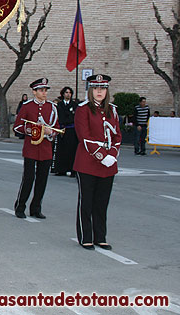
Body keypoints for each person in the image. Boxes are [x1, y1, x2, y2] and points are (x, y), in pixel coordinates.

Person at [73, 74, 121, 250]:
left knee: (102, 202)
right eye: (96, 88)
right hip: (88, 161)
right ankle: (86, 236)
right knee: (86, 202)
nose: (99, 91)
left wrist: (113, 155)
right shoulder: (83, 109)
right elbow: (84, 136)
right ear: (90, 90)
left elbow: (117, 135)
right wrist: (102, 156)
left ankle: (100, 236)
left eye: (103, 88)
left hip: (108, 163)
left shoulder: (112, 110)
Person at [13, 78, 59, 219]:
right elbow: (18, 126)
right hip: (31, 148)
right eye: (41, 90)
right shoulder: (27, 106)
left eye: (45, 90)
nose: (44, 93)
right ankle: (20, 206)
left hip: (45, 148)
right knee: (28, 178)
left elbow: (56, 127)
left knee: (42, 180)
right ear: (34, 92)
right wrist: (33, 130)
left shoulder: (52, 108)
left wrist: (51, 132)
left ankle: (36, 208)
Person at [54, 86, 78, 177]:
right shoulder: (59, 105)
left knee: (72, 150)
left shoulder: (74, 105)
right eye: (66, 92)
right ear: (63, 94)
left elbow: (74, 117)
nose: (68, 94)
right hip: (61, 129)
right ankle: (61, 169)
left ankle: (72, 170)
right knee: (61, 150)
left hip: (71, 129)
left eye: (70, 93)